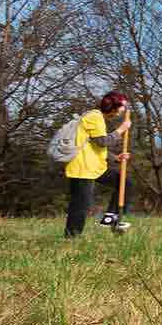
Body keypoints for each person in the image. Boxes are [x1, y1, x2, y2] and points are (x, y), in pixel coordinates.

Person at [63, 91, 131, 238]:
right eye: (122, 107)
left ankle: (111, 217)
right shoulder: (94, 116)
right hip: (83, 168)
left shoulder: (98, 118)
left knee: (124, 182)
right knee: (80, 205)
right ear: (113, 106)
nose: (122, 111)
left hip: (94, 167)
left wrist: (115, 158)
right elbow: (102, 141)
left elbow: (95, 145)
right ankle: (71, 238)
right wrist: (122, 129)